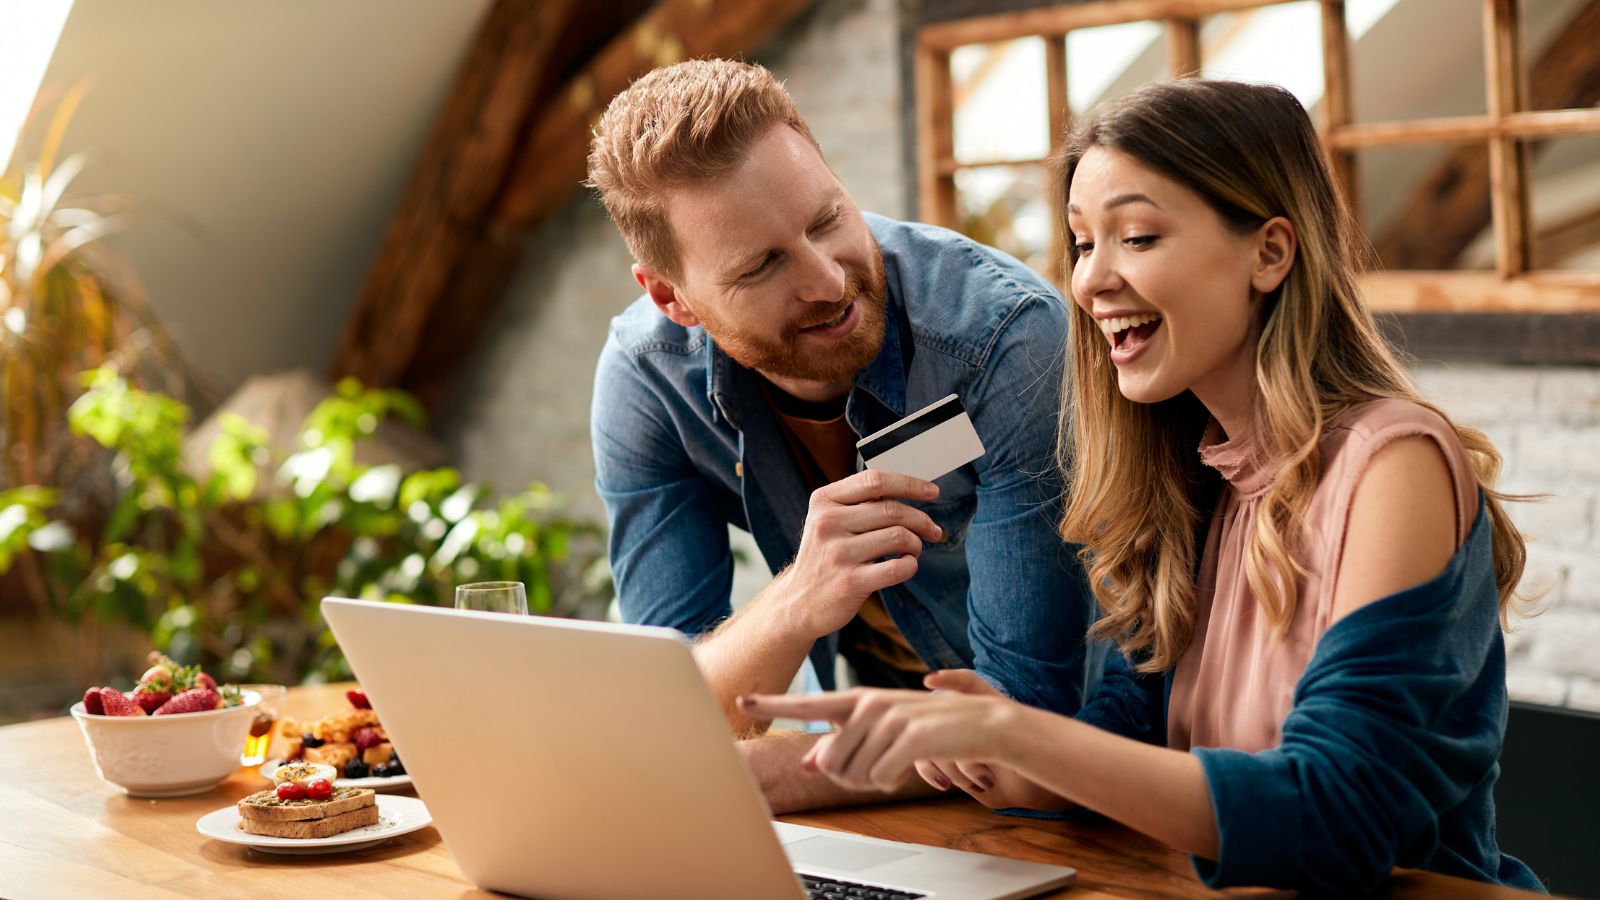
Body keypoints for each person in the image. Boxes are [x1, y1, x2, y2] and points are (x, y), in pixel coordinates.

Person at [742, 78, 1545, 894]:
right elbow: (1130, 735)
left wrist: (1019, 735)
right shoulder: (1195, 479)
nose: (1090, 282)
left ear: (1270, 252)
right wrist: (989, 753)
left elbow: (1337, 814)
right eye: (1084, 244)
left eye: (1138, 236)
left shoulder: (1392, 462)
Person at [584, 59, 1100, 814]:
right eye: (762, 265)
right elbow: (674, 704)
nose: (827, 281)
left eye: (827, 218)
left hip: (1084, 794)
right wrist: (797, 600)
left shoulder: (1002, 340)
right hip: (894, 796)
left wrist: (756, 775)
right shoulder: (648, 380)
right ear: (671, 297)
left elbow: (1026, 722)